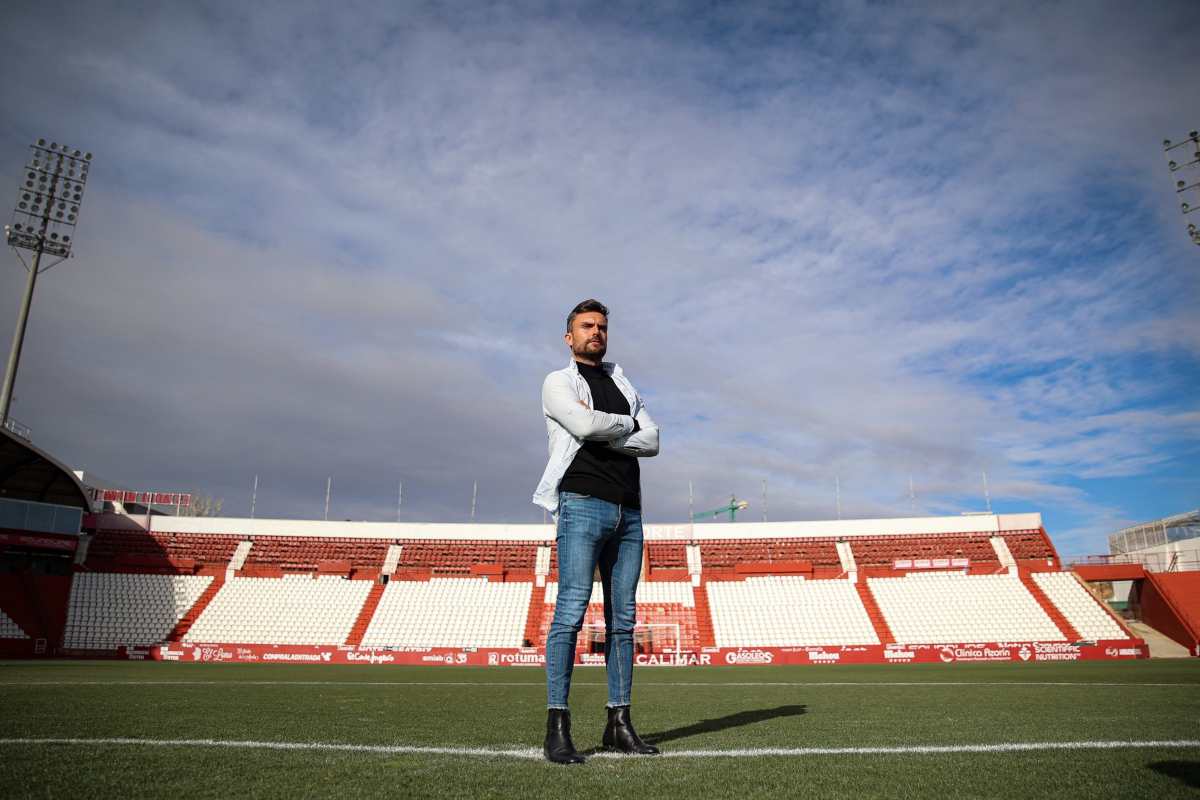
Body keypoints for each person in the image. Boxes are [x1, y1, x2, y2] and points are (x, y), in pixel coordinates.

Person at [532, 298, 661, 765]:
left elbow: (654, 441)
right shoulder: (558, 382)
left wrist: (612, 427)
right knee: (570, 611)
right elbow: (583, 423)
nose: (596, 332)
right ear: (570, 337)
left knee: (622, 621)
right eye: (587, 326)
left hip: (628, 510)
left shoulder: (623, 383)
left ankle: (618, 723)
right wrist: (626, 427)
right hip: (581, 501)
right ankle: (558, 726)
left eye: (602, 326)